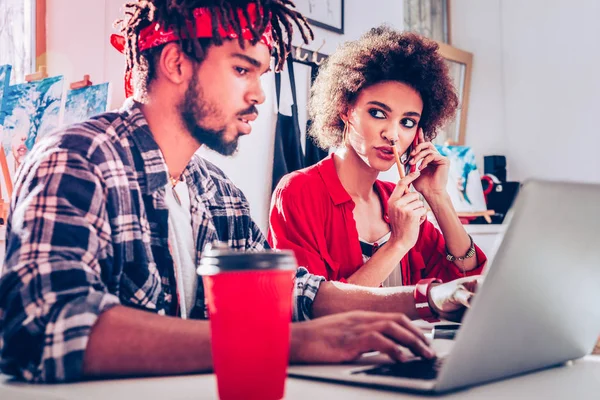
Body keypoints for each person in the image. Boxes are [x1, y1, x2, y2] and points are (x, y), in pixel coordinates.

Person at [0, 2, 480, 383]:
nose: (258, 95)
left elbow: (291, 293)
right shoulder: (78, 158)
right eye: (241, 70)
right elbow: (47, 327)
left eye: (261, 74)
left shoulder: (216, 191)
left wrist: (433, 298)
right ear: (175, 62)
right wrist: (288, 343)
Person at [269, 26, 487, 288]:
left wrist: (438, 198)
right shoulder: (298, 192)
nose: (393, 135)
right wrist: (397, 243)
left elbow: (466, 280)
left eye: (407, 122)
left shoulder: (400, 203)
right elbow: (311, 308)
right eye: (378, 113)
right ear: (345, 110)